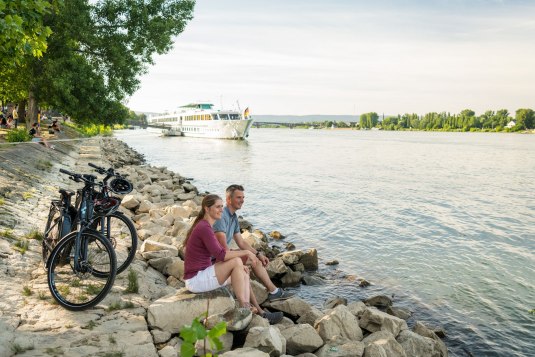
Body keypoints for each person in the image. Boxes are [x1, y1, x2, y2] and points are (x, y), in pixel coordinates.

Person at [183, 194, 283, 324]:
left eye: (221, 206)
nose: (221, 209)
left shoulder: (206, 226)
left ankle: (249, 312)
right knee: (237, 262)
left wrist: (246, 257)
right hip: (196, 280)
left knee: (244, 271)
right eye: (217, 207)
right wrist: (247, 252)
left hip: (202, 275)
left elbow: (224, 252)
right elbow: (221, 255)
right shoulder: (204, 228)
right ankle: (244, 307)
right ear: (207, 209)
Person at [214, 184, 295, 302]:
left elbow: (241, 242)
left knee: (254, 258)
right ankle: (273, 292)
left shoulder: (233, 217)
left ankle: (273, 291)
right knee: (252, 259)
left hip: (224, 254)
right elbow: (223, 250)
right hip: (217, 259)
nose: (242, 201)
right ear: (228, 199)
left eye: (243, 197)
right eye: (238, 197)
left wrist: (258, 253)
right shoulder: (222, 217)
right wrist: (243, 260)